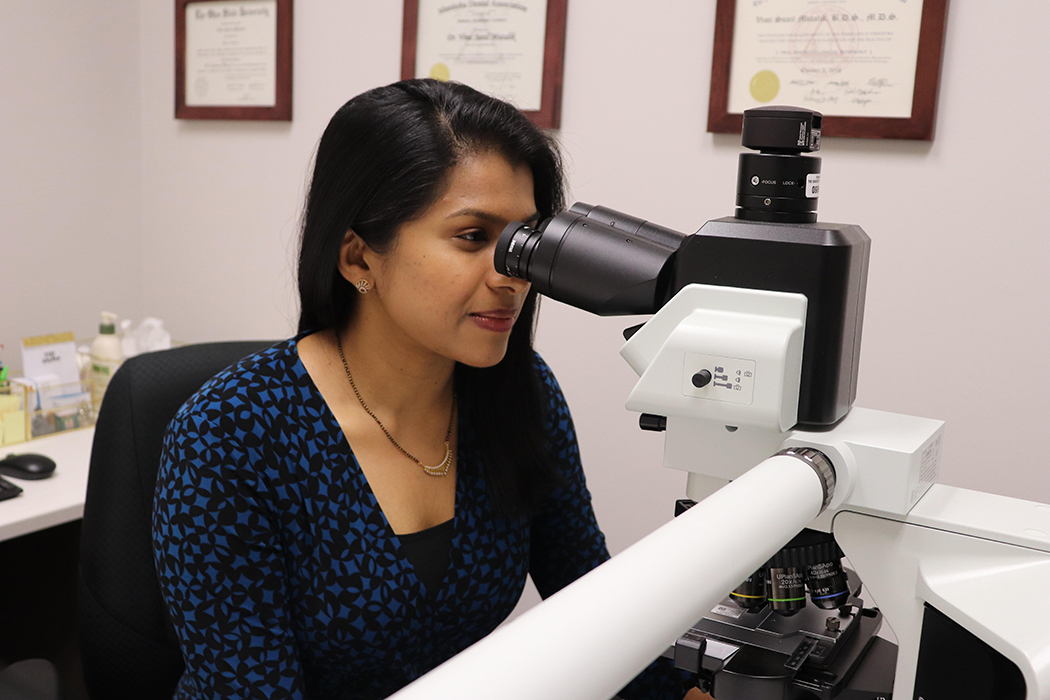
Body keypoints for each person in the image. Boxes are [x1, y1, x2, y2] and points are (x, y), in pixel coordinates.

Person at [152, 78, 696, 700]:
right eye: (473, 237)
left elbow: (590, 604)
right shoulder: (229, 435)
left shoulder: (520, 395)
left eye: (524, 241)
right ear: (358, 258)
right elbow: (250, 688)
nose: (513, 276)